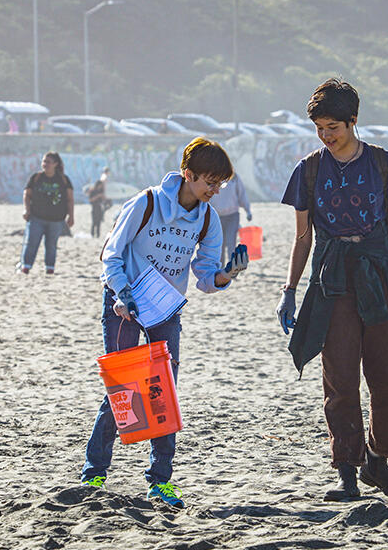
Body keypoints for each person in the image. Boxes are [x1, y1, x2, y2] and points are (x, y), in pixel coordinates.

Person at [275, 78, 388, 501]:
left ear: (353, 121)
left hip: (381, 279)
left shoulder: (384, 164)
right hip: (332, 283)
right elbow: (303, 238)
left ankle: (379, 462)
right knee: (340, 380)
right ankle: (347, 474)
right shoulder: (309, 170)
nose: (326, 135)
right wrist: (290, 289)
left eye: (333, 126)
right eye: (320, 128)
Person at [81, 137, 250, 509]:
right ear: (188, 175)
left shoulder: (207, 217)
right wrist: (122, 294)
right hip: (124, 301)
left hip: (166, 309)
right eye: (210, 182)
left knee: (162, 393)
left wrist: (226, 275)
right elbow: (111, 253)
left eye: (220, 184)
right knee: (123, 389)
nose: (215, 190)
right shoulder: (147, 203)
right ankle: (94, 471)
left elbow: (205, 275)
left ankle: (160, 481)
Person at [20, 152, 74, 275]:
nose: (45, 164)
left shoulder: (63, 180)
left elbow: (70, 199)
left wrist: (71, 216)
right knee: (31, 242)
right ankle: (25, 267)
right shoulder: (36, 178)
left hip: (57, 219)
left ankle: (50, 268)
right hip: (36, 217)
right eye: (44, 161)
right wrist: (26, 210)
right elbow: (27, 195)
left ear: (55, 164)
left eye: (48, 162)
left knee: (51, 245)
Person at [207, 172, 253, 264]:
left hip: (232, 216)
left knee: (231, 243)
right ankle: (220, 268)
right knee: (219, 245)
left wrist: (248, 210)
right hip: (216, 217)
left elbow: (242, 194)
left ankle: (231, 268)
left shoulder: (234, 177)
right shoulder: (211, 177)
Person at [86, 167, 112, 238]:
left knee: (99, 222)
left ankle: (97, 235)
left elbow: (104, 199)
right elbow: (90, 200)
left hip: (100, 207)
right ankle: (92, 234)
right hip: (94, 208)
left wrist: (104, 196)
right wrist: (98, 196)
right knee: (94, 222)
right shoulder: (93, 191)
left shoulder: (100, 191)